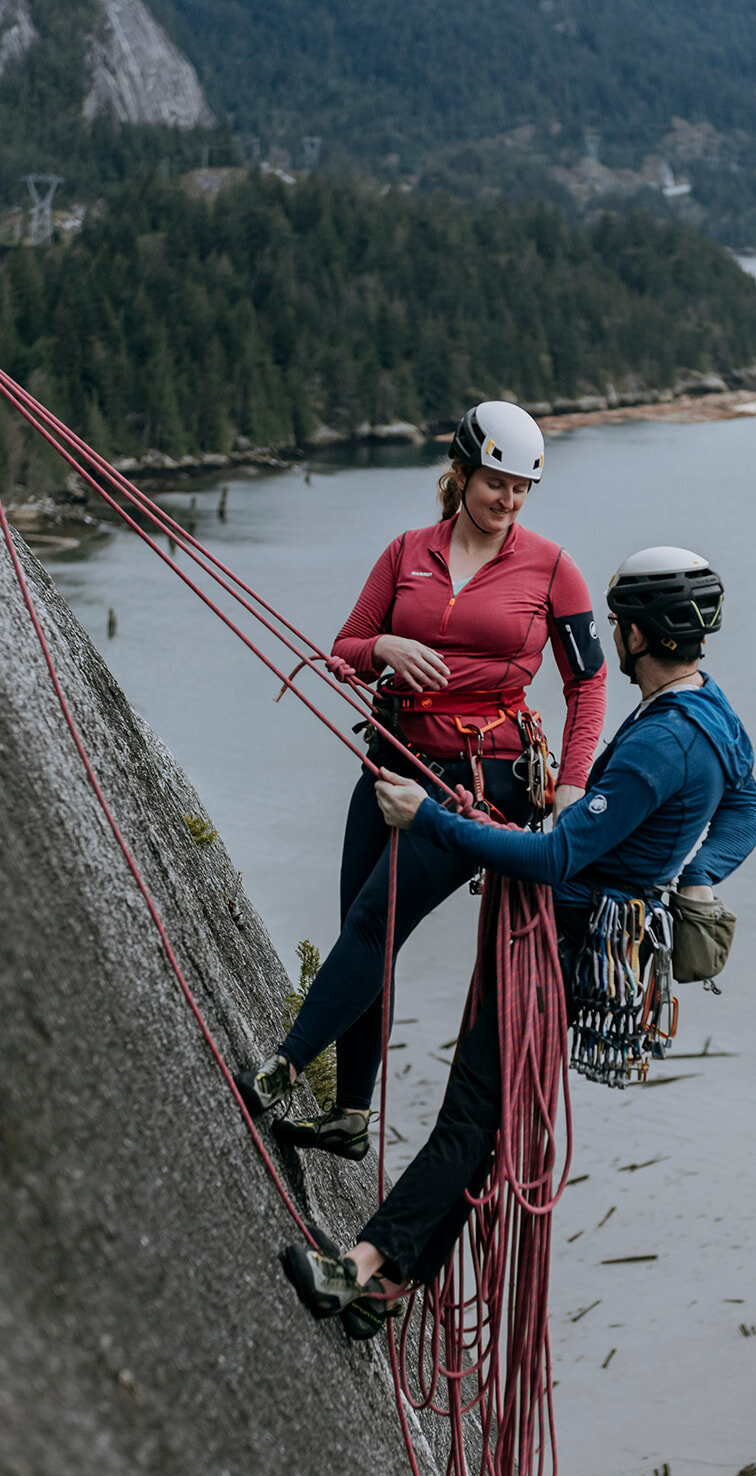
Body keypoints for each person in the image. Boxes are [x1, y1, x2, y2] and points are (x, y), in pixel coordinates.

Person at [279, 546, 756, 1325]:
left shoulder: (656, 745)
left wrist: (430, 818)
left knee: (472, 1114)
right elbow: (747, 808)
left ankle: (358, 1268)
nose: (610, 635)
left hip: (560, 944)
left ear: (637, 634)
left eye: (616, 624)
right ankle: (388, 1288)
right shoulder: (710, 714)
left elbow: (554, 856)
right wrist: (698, 875)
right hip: (595, 944)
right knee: (487, 1117)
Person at [234, 401, 606, 1160]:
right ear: (462, 472)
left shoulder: (551, 569)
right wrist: (387, 649)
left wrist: (571, 784)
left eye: (522, 489)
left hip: (483, 778)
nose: (508, 501)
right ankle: (347, 1117)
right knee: (363, 931)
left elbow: (589, 683)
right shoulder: (406, 551)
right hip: (393, 757)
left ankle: (281, 1067)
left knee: (378, 919)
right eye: (496, 482)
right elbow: (347, 644)